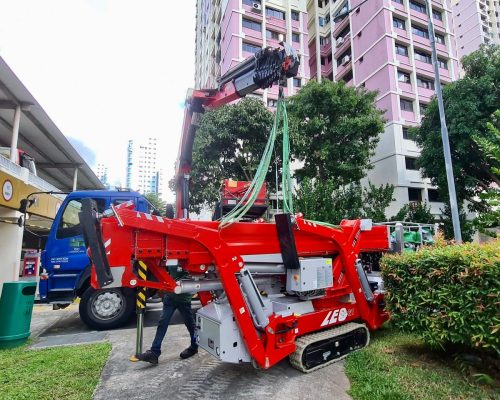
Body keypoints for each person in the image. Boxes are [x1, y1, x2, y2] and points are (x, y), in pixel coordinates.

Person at [137, 264, 198, 365]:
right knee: (162, 323)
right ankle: (154, 353)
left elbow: (190, 278)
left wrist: (172, 285)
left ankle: (194, 346)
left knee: (190, 325)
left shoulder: (186, 260)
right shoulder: (169, 259)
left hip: (183, 298)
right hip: (170, 297)